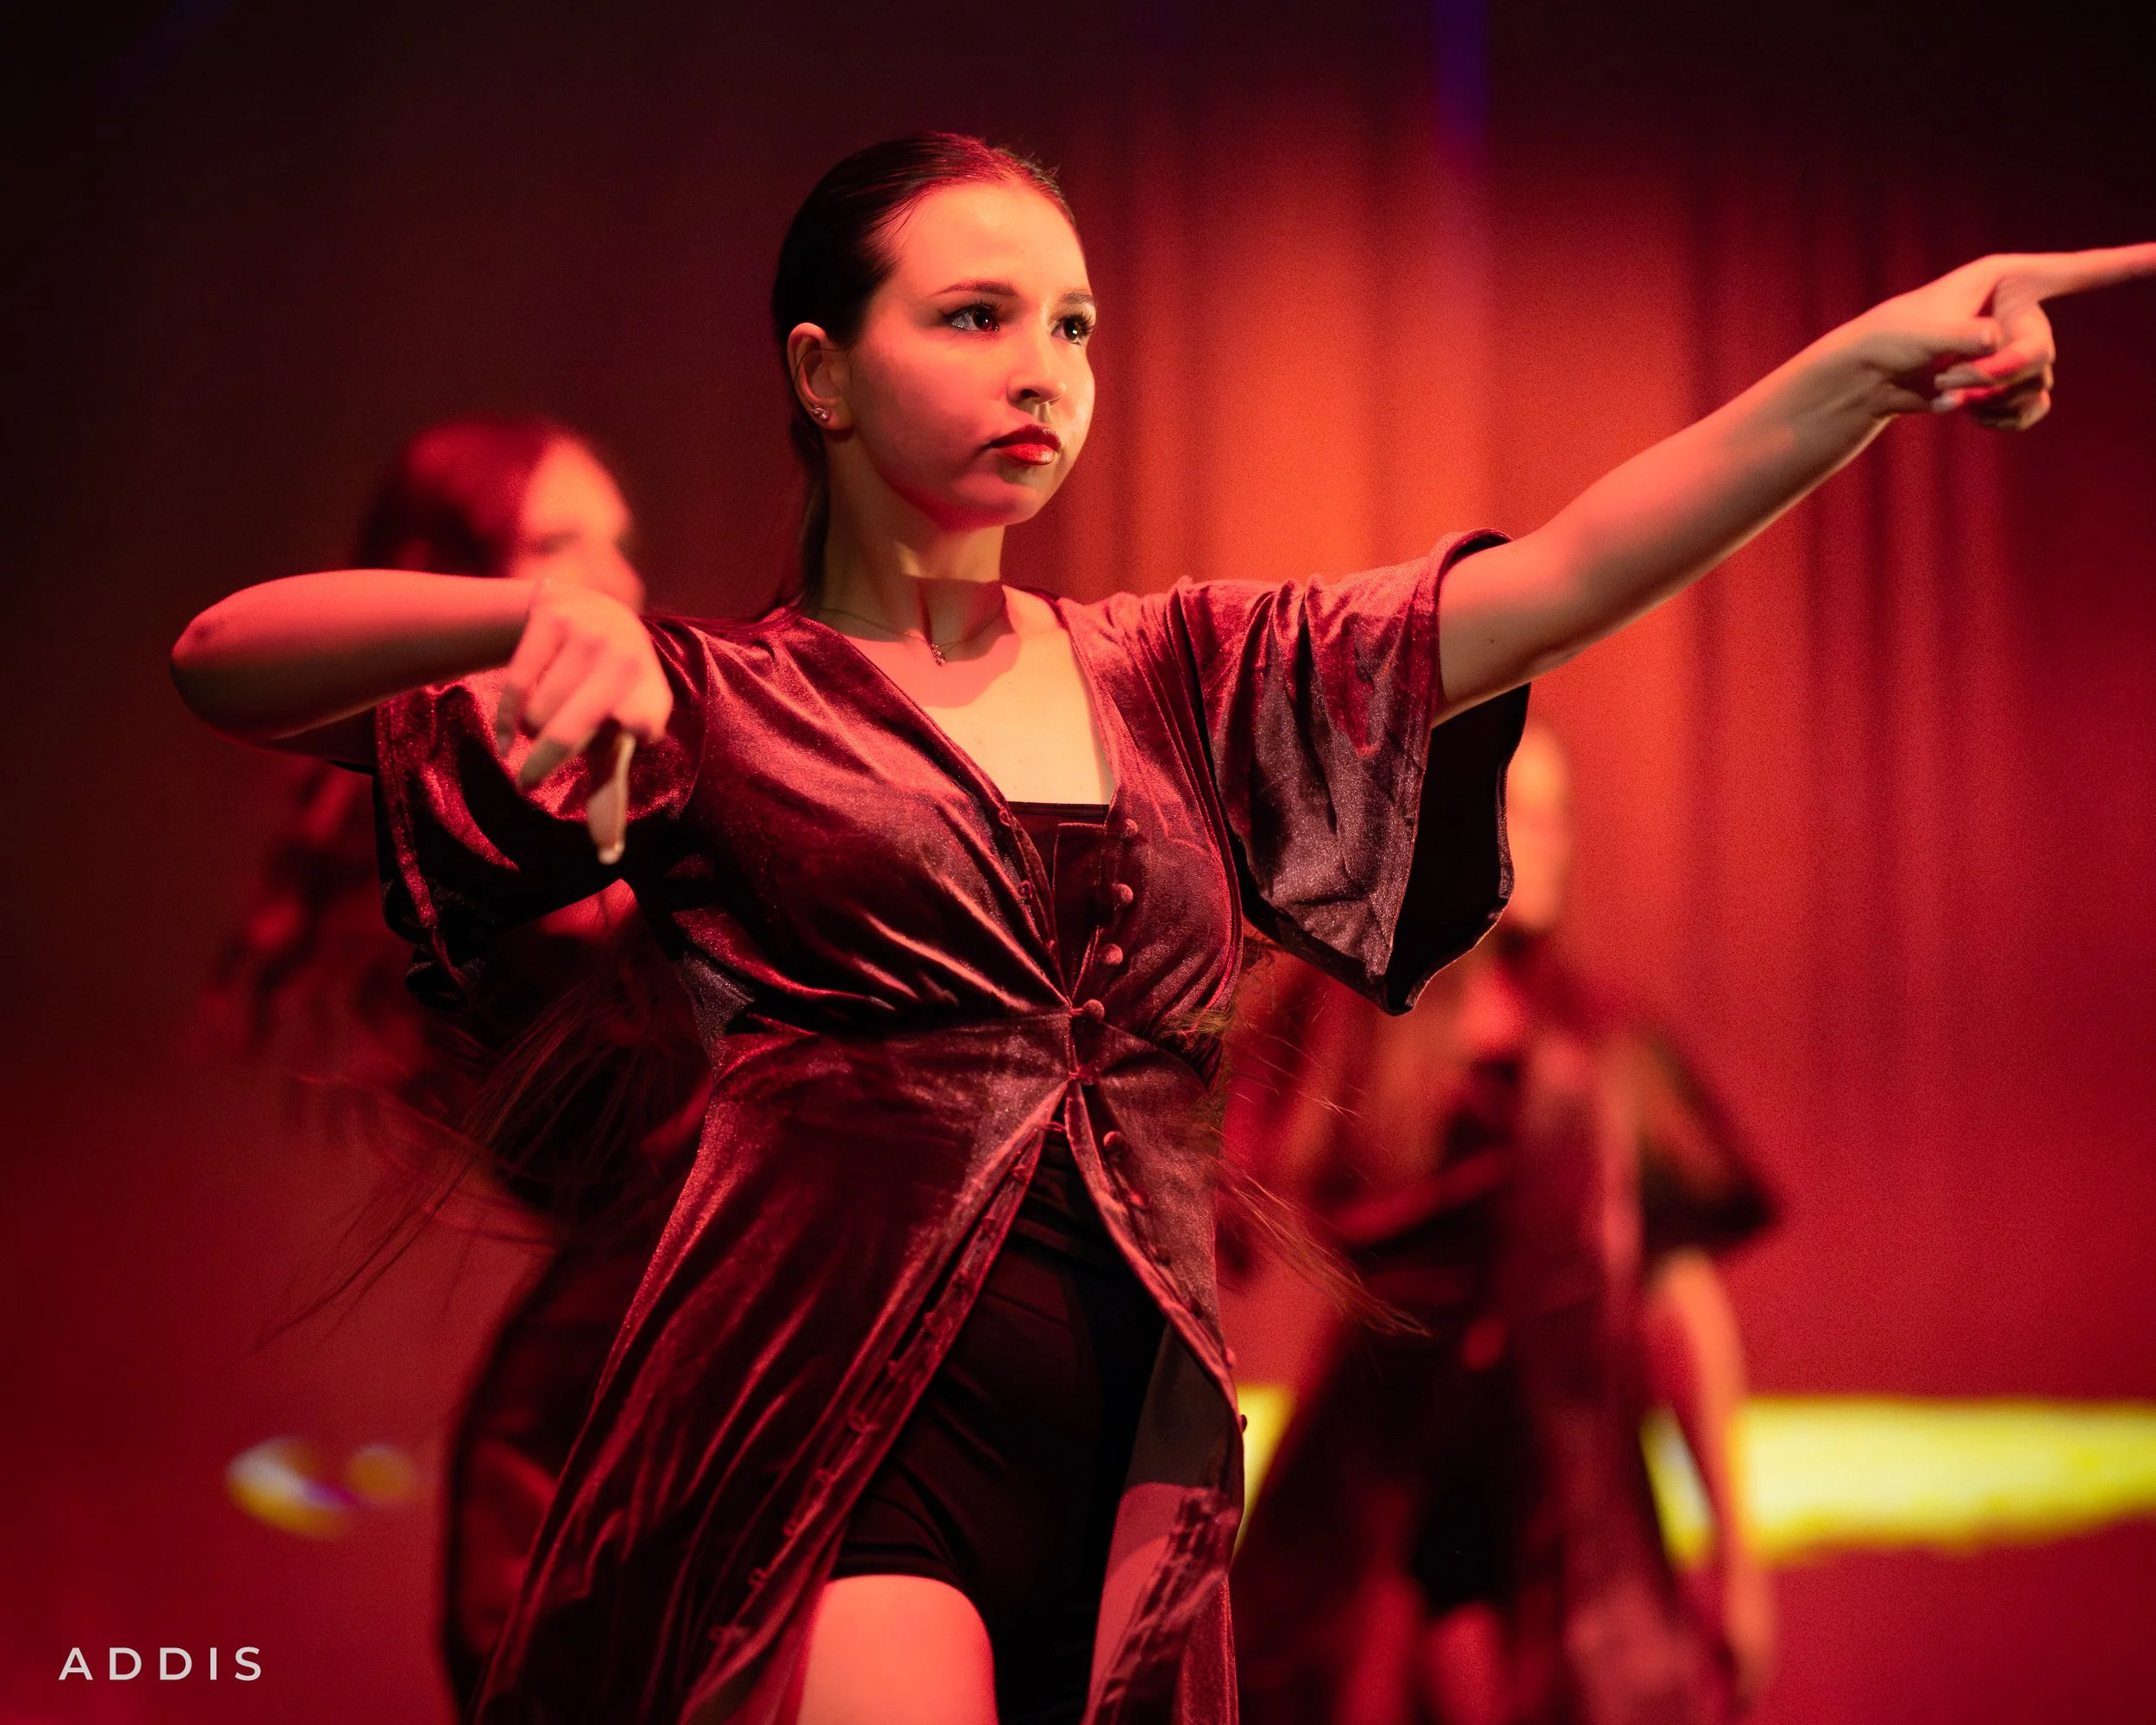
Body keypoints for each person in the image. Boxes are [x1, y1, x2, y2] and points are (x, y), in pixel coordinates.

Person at [166, 128, 2153, 1724]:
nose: (1045, 368)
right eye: (976, 315)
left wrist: (1867, 370)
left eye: (1078, 325)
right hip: (844, 1417)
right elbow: (224, 660)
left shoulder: (1186, 676)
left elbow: (1559, 572)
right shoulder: (724, 698)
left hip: (1139, 1437)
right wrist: (538, 621)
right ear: (819, 371)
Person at [204, 416, 709, 1710]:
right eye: (553, 544)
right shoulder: (495, 838)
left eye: (615, 543)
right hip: (600, 1437)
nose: (612, 579)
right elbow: (219, 654)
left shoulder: (624, 786)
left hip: (684, 1393)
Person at [1225, 718, 1777, 1725]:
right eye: (1523, 812)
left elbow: (1676, 1301)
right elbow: (1211, 1199)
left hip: (1566, 1492)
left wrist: (1735, 1554)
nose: (1552, 841)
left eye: (1561, 817)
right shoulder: (1343, 1019)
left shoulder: (1603, 1045)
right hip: (1370, 1493)